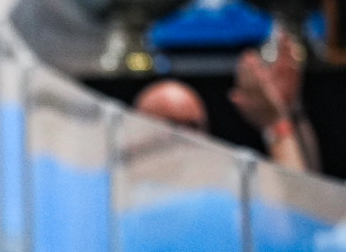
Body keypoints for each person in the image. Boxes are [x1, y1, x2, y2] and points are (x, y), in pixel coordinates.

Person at [132, 50, 318, 173]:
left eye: (193, 126)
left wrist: (286, 116)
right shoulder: (117, 198)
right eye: (171, 126)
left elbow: (301, 207)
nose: (185, 136)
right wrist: (276, 123)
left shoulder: (229, 193)